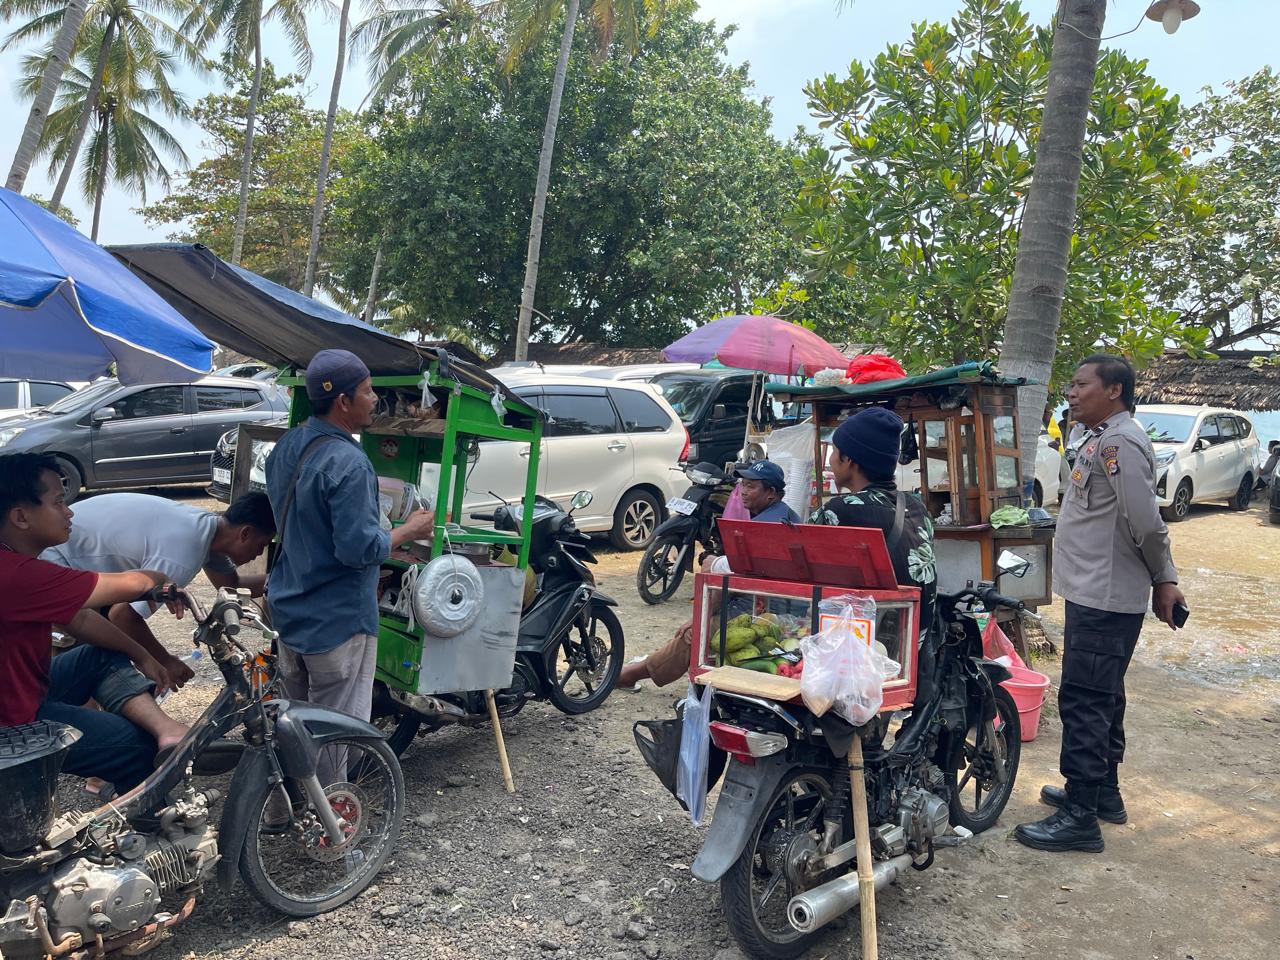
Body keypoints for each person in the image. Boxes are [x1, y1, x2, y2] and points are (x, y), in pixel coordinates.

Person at [1015, 354, 1186, 854]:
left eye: (1081, 384)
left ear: (1113, 391)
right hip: (1093, 589)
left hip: (1106, 594)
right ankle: (1102, 793)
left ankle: (1080, 816)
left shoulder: (1120, 442)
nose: (1071, 392)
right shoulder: (1098, 437)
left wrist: (1165, 579)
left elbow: (1146, 522)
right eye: (1071, 384)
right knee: (1104, 694)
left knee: (1085, 699)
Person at [266, 350, 435, 747]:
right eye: (368, 391)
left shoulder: (287, 445)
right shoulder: (350, 463)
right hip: (336, 621)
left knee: (293, 727)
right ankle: (330, 792)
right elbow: (358, 550)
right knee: (335, 733)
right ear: (343, 401)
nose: (375, 399)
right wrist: (409, 530)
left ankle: (284, 789)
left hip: (289, 609)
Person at [0, 452, 188, 793]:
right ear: (21, 517)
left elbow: (79, 618)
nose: (69, 512)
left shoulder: (14, 563)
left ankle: (168, 730)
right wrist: (160, 579)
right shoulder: (16, 575)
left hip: (21, 693)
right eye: (58, 502)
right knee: (136, 746)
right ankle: (141, 822)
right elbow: (131, 583)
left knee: (99, 655)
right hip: (11, 727)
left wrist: (143, 655)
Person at [42, 491, 276, 689]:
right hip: (57, 557)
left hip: (82, 558)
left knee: (106, 662)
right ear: (245, 533)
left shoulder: (208, 529)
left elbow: (234, 586)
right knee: (81, 673)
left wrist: (281, 580)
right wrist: (164, 660)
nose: (259, 553)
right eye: (262, 545)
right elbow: (122, 616)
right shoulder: (184, 552)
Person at [618, 459, 798, 690]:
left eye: (751, 486)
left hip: (767, 609)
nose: (743, 491)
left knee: (694, 634)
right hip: (763, 599)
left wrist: (701, 615)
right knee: (696, 626)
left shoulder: (767, 525)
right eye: (742, 484)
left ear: (771, 493)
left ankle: (633, 674)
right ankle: (639, 670)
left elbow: (735, 574)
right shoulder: (782, 514)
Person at [811, 406, 938, 636]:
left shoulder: (839, 511)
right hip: (914, 644)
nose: (830, 459)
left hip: (870, 645)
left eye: (834, 451)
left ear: (849, 460)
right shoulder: (917, 507)